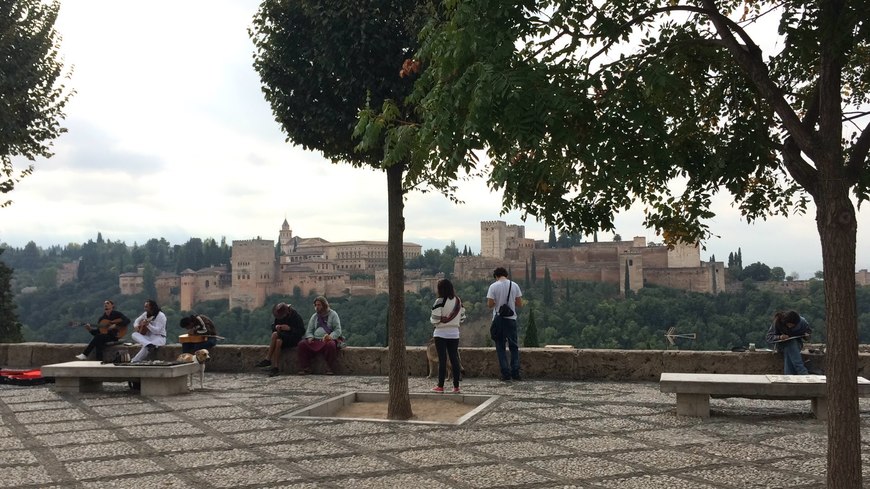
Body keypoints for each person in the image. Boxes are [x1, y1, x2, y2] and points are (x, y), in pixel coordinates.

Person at [487, 267, 523, 381]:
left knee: (500, 347)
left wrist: (498, 301)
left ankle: (505, 374)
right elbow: (519, 303)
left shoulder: (493, 286)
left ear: (496, 276)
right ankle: (515, 372)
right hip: (511, 319)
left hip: (499, 320)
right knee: (514, 346)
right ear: (506, 275)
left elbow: (490, 304)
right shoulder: (514, 285)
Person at [430, 279, 465, 393]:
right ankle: (456, 387)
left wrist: (440, 321)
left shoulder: (439, 301)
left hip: (440, 333)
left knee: (442, 359)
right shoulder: (458, 301)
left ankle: (440, 386)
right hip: (454, 333)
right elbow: (463, 317)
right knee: (454, 359)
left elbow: (435, 319)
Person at [254, 302, 306, 377]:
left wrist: (290, 328)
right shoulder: (279, 317)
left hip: (293, 339)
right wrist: (276, 327)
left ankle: (268, 359)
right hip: (283, 337)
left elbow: (301, 332)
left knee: (275, 335)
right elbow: (273, 327)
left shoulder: (296, 317)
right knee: (278, 341)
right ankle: (276, 367)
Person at [296, 296, 341, 375]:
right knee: (302, 344)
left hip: (327, 340)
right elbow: (309, 330)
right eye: (316, 305)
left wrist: (330, 337)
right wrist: (310, 337)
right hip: (315, 340)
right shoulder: (314, 316)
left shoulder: (333, 314)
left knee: (331, 345)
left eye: (319, 305)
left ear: (324, 305)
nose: (317, 307)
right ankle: (305, 367)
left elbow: (337, 330)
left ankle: (329, 368)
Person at [766, 310, 812, 375]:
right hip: (781, 345)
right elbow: (768, 337)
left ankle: (790, 376)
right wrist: (780, 337)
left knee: (791, 345)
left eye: (792, 325)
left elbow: (808, 334)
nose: (790, 327)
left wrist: (807, 336)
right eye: (788, 325)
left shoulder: (802, 322)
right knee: (790, 345)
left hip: (797, 344)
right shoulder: (778, 322)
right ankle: (802, 371)